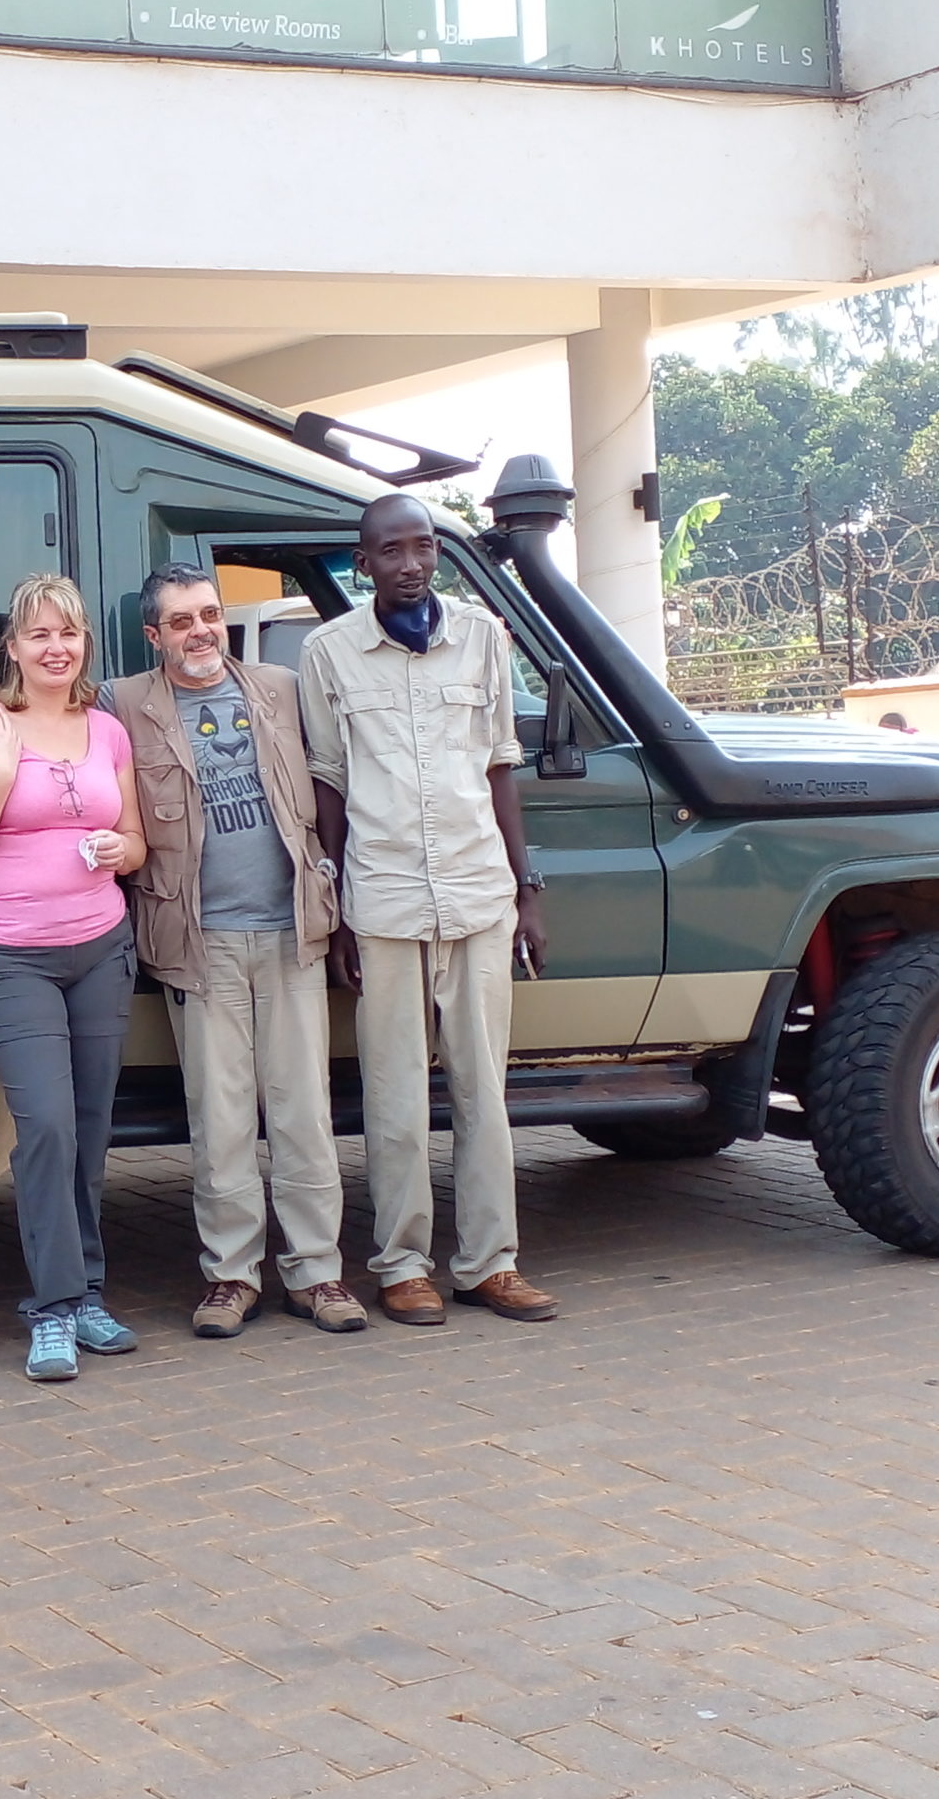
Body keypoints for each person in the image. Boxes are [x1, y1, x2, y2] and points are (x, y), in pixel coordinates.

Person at [298, 495, 560, 1326]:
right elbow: (328, 783)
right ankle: (403, 1265)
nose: (410, 563)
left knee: (484, 1092)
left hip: (479, 895)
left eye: (423, 546)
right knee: (397, 1097)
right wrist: (336, 909)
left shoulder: (482, 636)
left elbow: (501, 767)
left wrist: (526, 891)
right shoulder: (328, 653)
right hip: (383, 901)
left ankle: (490, 1263)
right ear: (362, 562)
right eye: (391, 550)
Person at [105, 566, 369, 1338]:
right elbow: (40, 707)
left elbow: (337, 777)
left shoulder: (281, 687)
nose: (200, 632)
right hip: (198, 941)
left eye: (210, 615)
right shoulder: (124, 703)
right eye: (181, 621)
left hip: (292, 930)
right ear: (154, 636)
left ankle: (317, 1273)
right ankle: (229, 1276)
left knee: (302, 1114)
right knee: (218, 1122)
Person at [0, 573, 148, 1381]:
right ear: (13, 649)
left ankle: (88, 1294)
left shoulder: (108, 731)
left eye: (69, 633)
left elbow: (133, 837)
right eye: (39, 636)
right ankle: (53, 1308)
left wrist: (118, 851)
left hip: (100, 947)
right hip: (10, 953)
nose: (55, 648)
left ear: (84, 642)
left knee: (90, 1130)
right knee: (48, 1127)